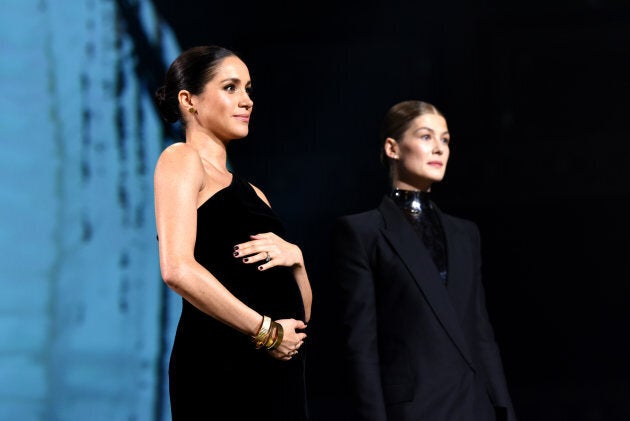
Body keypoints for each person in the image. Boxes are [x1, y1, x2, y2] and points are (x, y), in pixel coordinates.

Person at [153, 45, 312, 420]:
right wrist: (267, 332)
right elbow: (177, 268)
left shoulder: (254, 193)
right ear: (188, 100)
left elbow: (302, 314)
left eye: (248, 89)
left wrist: (299, 260)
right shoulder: (181, 159)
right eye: (230, 87)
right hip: (222, 365)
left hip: (280, 367)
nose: (247, 101)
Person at [331, 100, 517, 421]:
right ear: (393, 147)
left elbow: (480, 332)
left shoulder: (465, 234)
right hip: (414, 408)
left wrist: (504, 410)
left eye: (445, 140)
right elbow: (361, 343)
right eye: (426, 137)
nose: (439, 149)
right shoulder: (362, 232)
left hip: (475, 406)